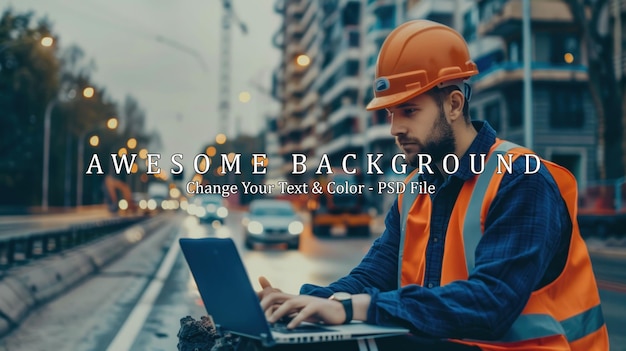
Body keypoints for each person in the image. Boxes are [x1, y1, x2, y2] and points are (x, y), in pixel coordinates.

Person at [256, 19, 610, 351]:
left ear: (454, 104)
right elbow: (374, 275)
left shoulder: (520, 179)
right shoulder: (413, 190)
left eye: (409, 111)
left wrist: (352, 309)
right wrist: (313, 300)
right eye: (390, 113)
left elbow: (491, 302)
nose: (394, 128)